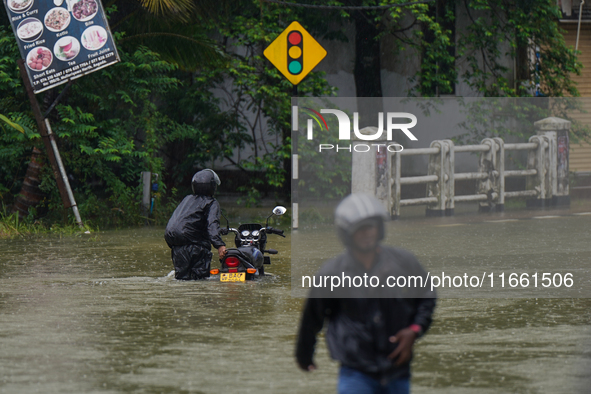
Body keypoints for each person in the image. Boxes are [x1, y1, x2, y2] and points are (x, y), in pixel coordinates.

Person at [295, 193, 436, 394]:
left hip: (397, 368)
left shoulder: (403, 263)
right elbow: (312, 318)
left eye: (370, 226)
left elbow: (427, 295)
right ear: (346, 234)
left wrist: (415, 330)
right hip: (356, 371)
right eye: (359, 229)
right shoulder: (331, 274)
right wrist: (304, 356)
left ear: (379, 228)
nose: (367, 233)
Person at [164, 169, 227, 280]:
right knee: (199, 281)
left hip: (177, 247)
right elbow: (212, 225)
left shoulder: (187, 199)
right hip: (196, 247)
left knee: (182, 280)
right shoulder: (211, 202)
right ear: (212, 186)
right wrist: (220, 245)